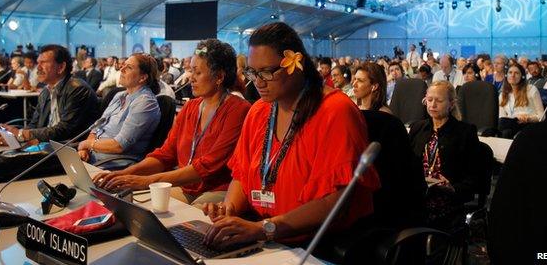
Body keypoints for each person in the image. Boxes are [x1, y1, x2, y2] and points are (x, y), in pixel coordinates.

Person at [201, 22, 379, 248]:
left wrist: (264, 229)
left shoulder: (335, 111)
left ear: (296, 64)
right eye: (252, 72)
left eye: (267, 72)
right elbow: (242, 174)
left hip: (314, 244)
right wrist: (229, 210)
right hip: (261, 233)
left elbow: (335, 203)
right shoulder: (259, 111)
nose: (258, 82)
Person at [93, 39, 251, 206]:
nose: (191, 79)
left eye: (197, 73)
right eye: (191, 71)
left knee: (185, 221)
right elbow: (166, 154)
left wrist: (144, 181)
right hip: (186, 187)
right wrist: (124, 174)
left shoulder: (238, 109)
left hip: (217, 189)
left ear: (219, 76)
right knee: (138, 206)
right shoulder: (190, 107)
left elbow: (208, 166)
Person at [0, 44, 100, 145]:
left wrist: (22, 135)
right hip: (46, 145)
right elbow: (34, 125)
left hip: (68, 149)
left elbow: (65, 130)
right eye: (38, 63)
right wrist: (13, 137)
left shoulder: (77, 89)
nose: (38, 67)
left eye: (43, 63)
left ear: (61, 67)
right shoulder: (46, 92)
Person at [408, 81, 482, 229]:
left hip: (447, 200)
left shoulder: (465, 132)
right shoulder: (418, 128)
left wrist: (452, 187)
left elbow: (474, 177)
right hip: (417, 195)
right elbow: (407, 164)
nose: (432, 105)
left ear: (451, 104)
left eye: (439, 101)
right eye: (429, 100)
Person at [77, 54, 161, 166]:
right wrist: (84, 149)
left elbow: (120, 145)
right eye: (124, 65)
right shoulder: (119, 95)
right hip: (92, 158)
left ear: (143, 77)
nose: (122, 69)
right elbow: (97, 128)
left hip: (113, 165)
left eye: (129, 67)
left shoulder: (145, 102)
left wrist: (87, 144)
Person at [498, 64, 544, 138]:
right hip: (510, 124)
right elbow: (502, 117)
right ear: (506, 75)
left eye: (516, 73)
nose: (512, 75)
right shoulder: (503, 94)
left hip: (528, 125)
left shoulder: (531, 89)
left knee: (505, 130)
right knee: (503, 126)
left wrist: (529, 118)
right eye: (510, 72)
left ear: (522, 76)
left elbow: (542, 116)